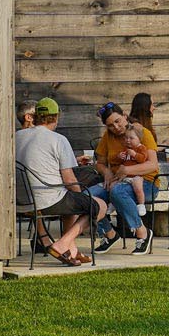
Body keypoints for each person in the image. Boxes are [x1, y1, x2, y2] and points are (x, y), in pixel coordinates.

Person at [16, 98, 105, 269]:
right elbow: (69, 179)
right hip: (46, 200)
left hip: (20, 201)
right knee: (98, 205)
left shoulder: (16, 137)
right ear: (56, 117)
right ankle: (62, 244)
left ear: (35, 116)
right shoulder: (58, 139)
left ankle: (71, 249)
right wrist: (81, 195)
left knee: (70, 202)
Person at [89, 106, 160, 256]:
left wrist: (127, 170)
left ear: (125, 116)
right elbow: (100, 163)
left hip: (144, 183)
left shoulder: (142, 133)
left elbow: (153, 164)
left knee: (117, 192)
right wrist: (107, 172)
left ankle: (143, 233)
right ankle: (110, 234)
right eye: (110, 125)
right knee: (87, 195)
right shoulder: (108, 136)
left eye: (117, 121)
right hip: (116, 181)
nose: (115, 127)